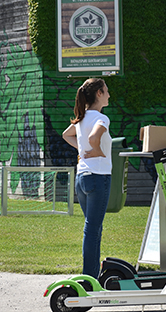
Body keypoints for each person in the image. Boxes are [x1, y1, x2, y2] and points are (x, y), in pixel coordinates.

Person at [62, 78, 112, 279]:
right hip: (98, 178)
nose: (109, 95)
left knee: (93, 228)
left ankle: (93, 274)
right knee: (92, 229)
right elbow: (93, 138)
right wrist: (97, 150)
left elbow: (67, 135)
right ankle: (89, 276)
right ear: (99, 93)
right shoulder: (102, 118)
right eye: (106, 91)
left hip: (82, 178)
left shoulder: (81, 118)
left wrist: (82, 151)